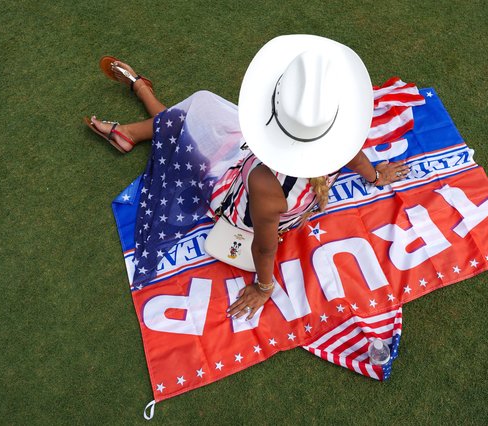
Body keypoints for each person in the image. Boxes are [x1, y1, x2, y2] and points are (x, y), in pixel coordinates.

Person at [85, 35, 410, 322]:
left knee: (192, 123)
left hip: (236, 198)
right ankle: (135, 113)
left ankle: (137, 105)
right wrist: (375, 176)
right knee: (195, 118)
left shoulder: (266, 183)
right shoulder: (336, 140)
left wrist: (263, 287)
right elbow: (350, 153)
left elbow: (265, 248)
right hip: (273, 186)